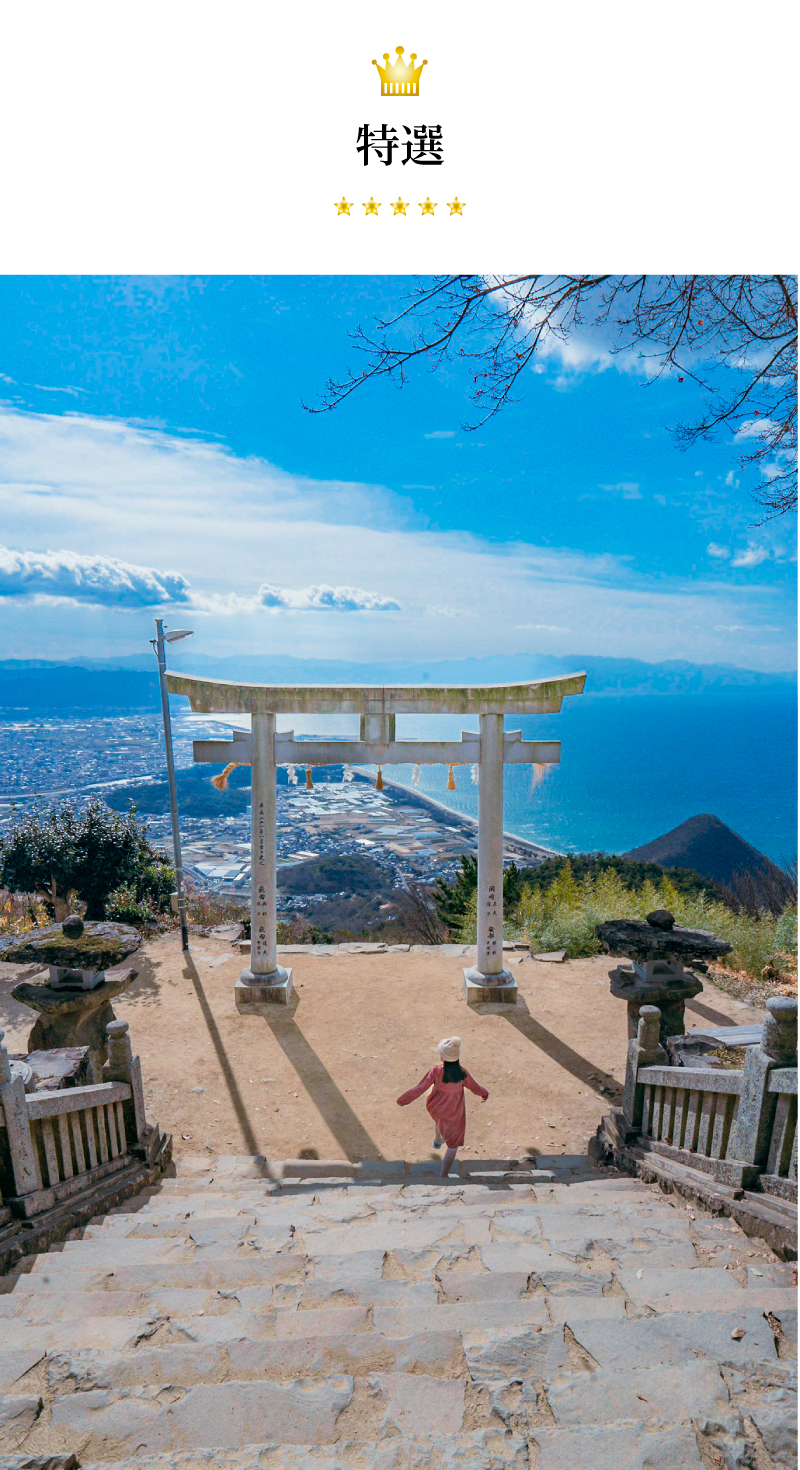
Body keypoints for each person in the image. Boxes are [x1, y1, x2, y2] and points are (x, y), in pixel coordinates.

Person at [397, 1036, 489, 1178]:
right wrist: (484, 1093)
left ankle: (438, 1140)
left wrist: (404, 1099)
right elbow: (475, 1087)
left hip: (435, 1107)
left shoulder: (435, 1071)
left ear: (442, 1058)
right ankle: (444, 1175)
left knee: (439, 1120)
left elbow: (421, 1088)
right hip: (453, 1111)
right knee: (452, 1146)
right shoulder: (462, 1073)